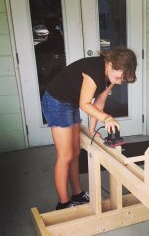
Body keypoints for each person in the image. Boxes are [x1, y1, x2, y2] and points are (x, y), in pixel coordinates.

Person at [41, 48, 137, 210]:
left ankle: (77, 195)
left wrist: (92, 129)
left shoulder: (111, 76)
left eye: (123, 79)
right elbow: (84, 104)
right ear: (111, 64)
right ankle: (63, 204)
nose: (120, 82)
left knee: (76, 152)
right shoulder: (94, 72)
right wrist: (106, 118)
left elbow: (99, 103)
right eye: (119, 77)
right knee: (65, 155)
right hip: (56, 101)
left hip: (70, 103)